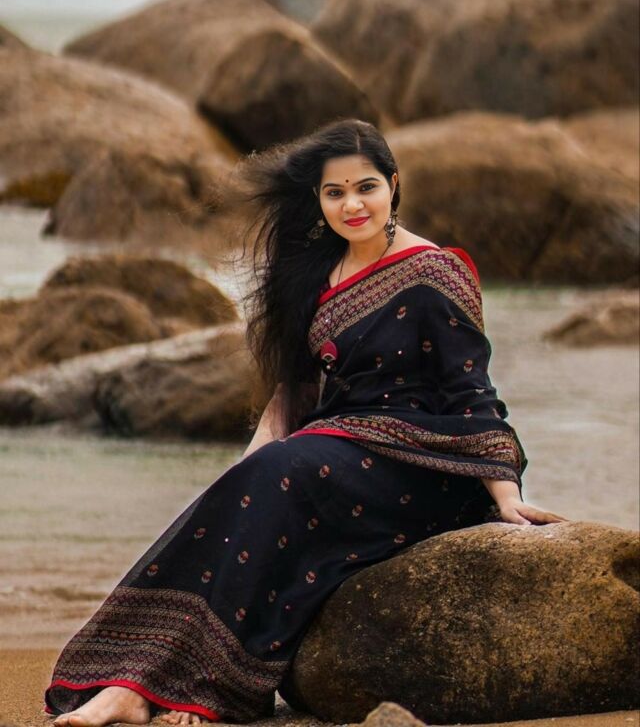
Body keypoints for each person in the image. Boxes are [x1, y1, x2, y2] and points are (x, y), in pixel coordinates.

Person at [44, 118, 567, 727]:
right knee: (248, 490)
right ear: (317, 200)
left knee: (282, 475)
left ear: (394, 185)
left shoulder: (435, 271)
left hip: (422, 462)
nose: (352, 205)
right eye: (335, 192)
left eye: (366, 187)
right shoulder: (316, 276)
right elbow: (292, 393)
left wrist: (506, 495)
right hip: (335, 449)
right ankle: (136, 685)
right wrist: (245, 470)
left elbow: (472, 391)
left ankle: (190, 687)